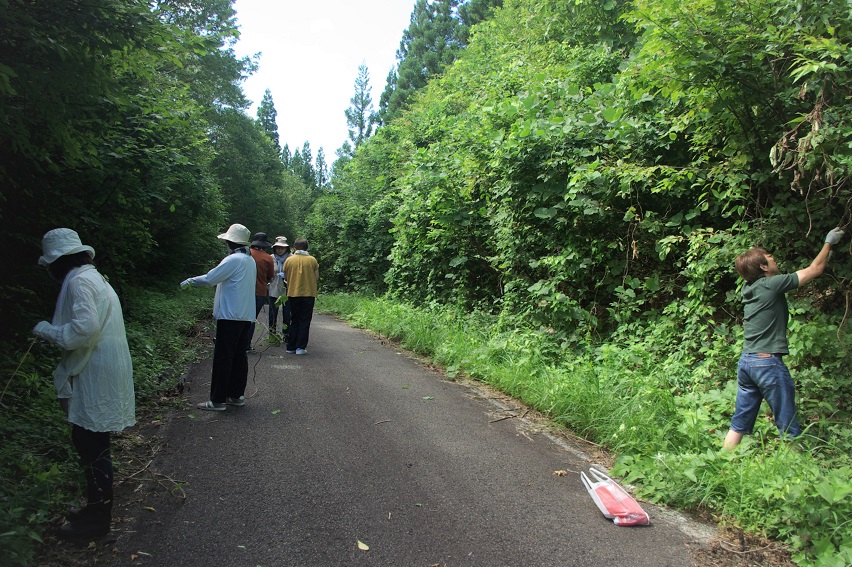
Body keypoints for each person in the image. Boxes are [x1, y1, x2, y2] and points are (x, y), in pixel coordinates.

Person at [32, 228, 136, 539]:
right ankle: (95, 510)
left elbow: (83, 330)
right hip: (101, 368)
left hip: (94, 371)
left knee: (92, 446)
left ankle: (96, 522)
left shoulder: (79, 282)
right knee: (92, 443)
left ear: (58, 262)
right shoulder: (93, 277)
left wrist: (45, 330)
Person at [723, 227, 845, 449]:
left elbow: (816, 267)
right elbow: (815, 269)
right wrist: (829, 243)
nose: (773, 258)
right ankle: (794, 464)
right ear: (763, 267)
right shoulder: (771, 284)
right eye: (769, 257)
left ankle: (723, 459)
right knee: (787, 420)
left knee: (740, 421)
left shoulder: (749, 287)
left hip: (747, 362)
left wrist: (828, 253)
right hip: (766, 362)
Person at [180, 224, 256, 410]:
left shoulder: (233, 259)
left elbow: (210, 278)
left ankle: (218, 399)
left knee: (224, 357)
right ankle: (236, 395)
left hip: (230, 316)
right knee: (239, 357)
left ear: (230, 242)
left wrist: (190, 282)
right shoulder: (249, 260)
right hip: (245, 315)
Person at [283, 238, 319, 355]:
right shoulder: (312, 260)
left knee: (294, 320)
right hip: (308, 294)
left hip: (293, 293)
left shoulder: (289, 260)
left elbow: (286, 277)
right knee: (305, 320)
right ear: (307, 248)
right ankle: (300, 347)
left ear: (294, 248)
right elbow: (316, 277)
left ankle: (291, 346)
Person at [248, 232, 275, 351]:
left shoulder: (246, 254)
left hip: (243, 291)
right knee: (251, 319)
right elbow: (270, 276)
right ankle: (246, 344)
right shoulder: (268, 258)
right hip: (259, 291)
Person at [268, 236, 291, 337]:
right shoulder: (271, 257)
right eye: (278, 248)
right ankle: (272, 334)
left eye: (282, 248)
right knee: (272, 313)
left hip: (287, 289)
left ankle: (286, 335)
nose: (280, 250)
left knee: (287, 314)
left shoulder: (291, 257)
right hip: (274, 287)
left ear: (286, 248)